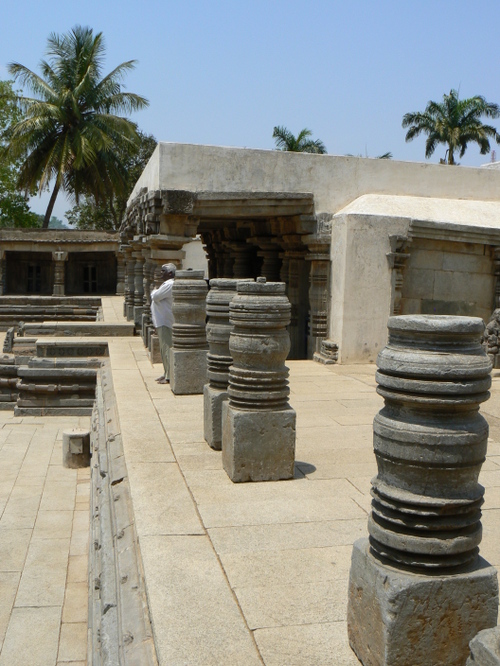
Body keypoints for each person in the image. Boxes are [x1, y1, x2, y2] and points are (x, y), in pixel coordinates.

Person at [151, 263, 176, 384]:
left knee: (167, 348)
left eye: (163, 271)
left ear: (170, 273)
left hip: (166, 321)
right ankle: (166, 372)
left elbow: (156, 296)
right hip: (161, 320)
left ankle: (170, 376)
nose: (161, 273)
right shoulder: (166, 284)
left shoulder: (170, 284)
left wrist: (154, 291)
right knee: (163, 348)